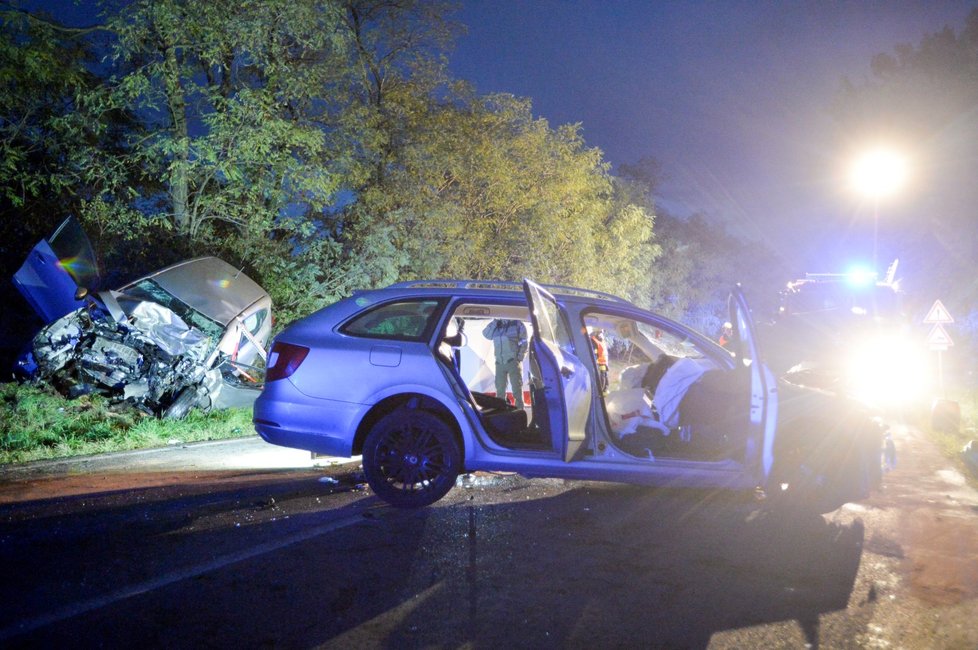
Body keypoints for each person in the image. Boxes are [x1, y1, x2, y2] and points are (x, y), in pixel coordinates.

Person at [482, 319, 528, 408]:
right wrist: (495, 322)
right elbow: (486, 334)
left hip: (513, 362)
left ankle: (519, 413)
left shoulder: (517, 324)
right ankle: (501, 413)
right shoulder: (496, 325)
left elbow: (524, 342)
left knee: (517, 391)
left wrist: (519, 358)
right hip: (499, 363)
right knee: (500, 392)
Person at [590, 329, 609, 394]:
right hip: (599, 363)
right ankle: (601, 391)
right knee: (602, 376)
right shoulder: (593, 341)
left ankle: (604, 390)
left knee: (605, 376)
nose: (602, 334)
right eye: (600, 332)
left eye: (602, 333)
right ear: (596, 333)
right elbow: (594, 352)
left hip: (604, 362)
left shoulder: (601, 341)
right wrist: (596, 361)